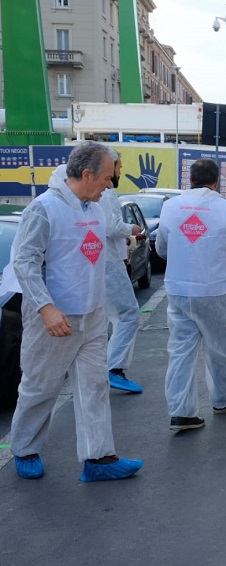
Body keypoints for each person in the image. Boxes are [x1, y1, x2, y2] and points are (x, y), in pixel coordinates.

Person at [9, 141, 143, 481]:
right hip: (54, 319)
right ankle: (25, 448)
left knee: (95, 387)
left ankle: (99, 458)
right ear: (86, 174)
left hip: (92, 316)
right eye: (108, 178)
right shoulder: (44, 209)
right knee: (41, 386)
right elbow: (24, 261)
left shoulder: (94, 209)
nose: (111, 185)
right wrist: (46, 307)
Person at [156, 158, 226, 432]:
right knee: (219, 347)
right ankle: (223, 398)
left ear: (190, 179)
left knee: (180, 350)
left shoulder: (170, 207)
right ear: (217, 181)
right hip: (215, 288)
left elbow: (161, 249)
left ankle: (181, 412)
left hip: (179, 289)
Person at [99, 150, 144, 393]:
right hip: (107, 263)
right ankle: (114, 368)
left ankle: (105, 369)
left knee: (108, 319)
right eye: (118, 168)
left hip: (103, 261)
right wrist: (132, 228)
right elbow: (111, 227)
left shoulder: (101, 193)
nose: (119, 173)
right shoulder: (106, 193)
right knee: (128, 313)